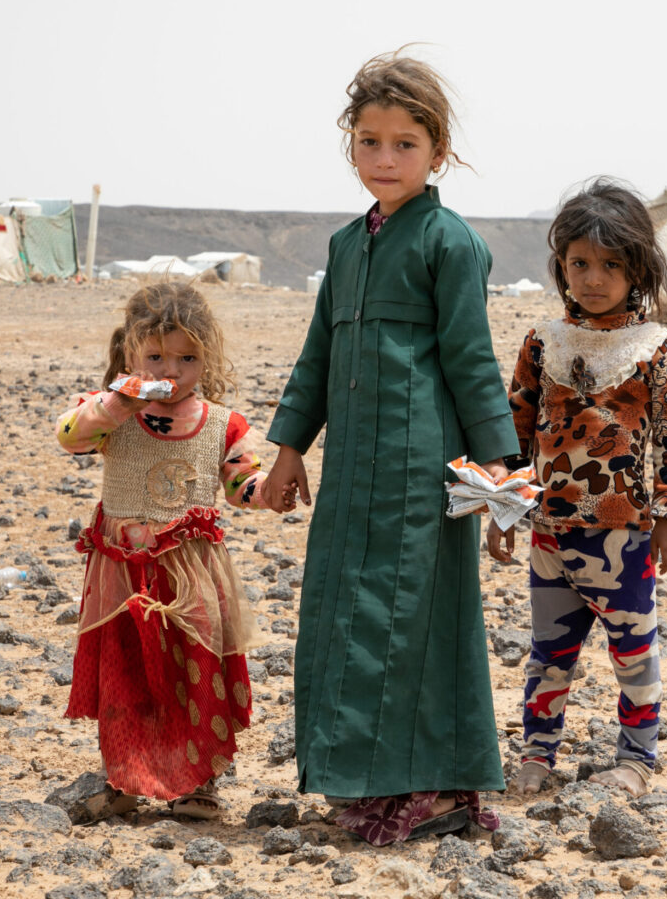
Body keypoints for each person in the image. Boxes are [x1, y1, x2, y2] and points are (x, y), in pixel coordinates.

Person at [261, 49, 516, 845]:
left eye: (404, 143)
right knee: (345, 614)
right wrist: (289, 448)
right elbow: (317, 358)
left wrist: (501, 473)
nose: (384, 158)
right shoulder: (345, 246)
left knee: (413, 619)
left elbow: (474, 364)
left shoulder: (452, 243)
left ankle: (433, 785)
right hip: (349, 478)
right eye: (368, 141)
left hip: (421, 474)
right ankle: (360, 779)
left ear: (438, 151)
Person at [487, 178, 667, 798]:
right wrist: (504, 509)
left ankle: (638, 757)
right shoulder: (542, 342)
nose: (593, 278)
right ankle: (538, 754)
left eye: (611, 264)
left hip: (623, 536)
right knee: (550, 653)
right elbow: (517, 434)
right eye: (579, 263)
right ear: (560, 267)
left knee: (634, 650)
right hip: (549, 531)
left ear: (639, 270)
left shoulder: (657, 349)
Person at [57, 282, 284, 820]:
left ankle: (200, 783)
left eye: (187, 357)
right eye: (155, 356)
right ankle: (126, 777)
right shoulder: (112, 416)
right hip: (122, 576)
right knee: (127, 669)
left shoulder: (221, 423)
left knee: (194, 671)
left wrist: (266, 493)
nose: (171, 369)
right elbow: (69, 436)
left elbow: (238, 484)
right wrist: (118, 400)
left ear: (207, 357)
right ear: (130, 353)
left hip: (191, 574)